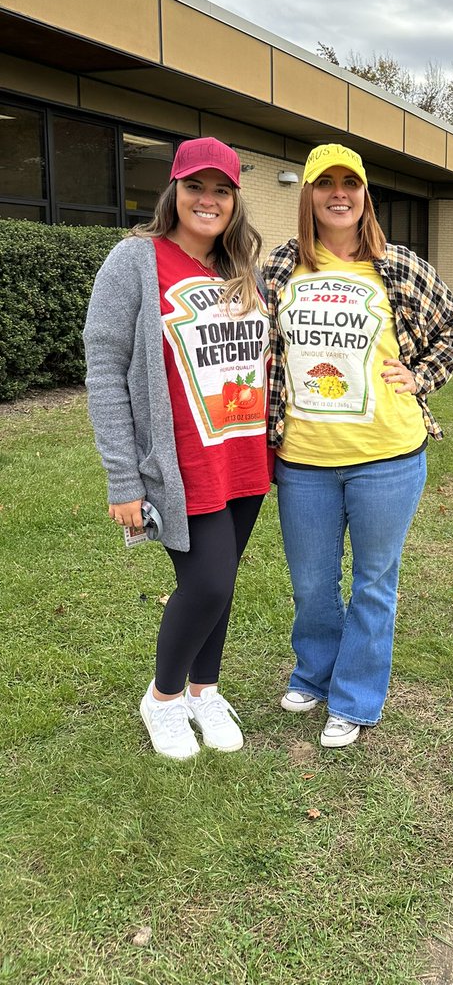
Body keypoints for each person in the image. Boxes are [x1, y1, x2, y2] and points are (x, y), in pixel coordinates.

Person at [264, 143, 453, 748]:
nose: (338, 193)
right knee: (311, 583)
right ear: (307, 195)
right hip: (304, 459)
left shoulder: (397, 266)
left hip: (388, 455)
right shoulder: (281, 268)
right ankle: (314, 673)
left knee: (373, 582)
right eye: (324, 183)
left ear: (364, 195)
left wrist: (421, 374)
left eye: (348, 183)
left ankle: (353, 698)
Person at [83, 137, 271, 760]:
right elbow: (105, 368)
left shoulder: (241, 268)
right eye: (196, 187)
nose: (208, 201)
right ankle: (163, 700)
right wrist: (123, 479)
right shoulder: (135, 260)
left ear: (235, 200)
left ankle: (203, 690)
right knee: (209, 584)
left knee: (224, 582)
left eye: (221, 191)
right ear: (174, 191)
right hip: (181, 464)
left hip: (243, 456)